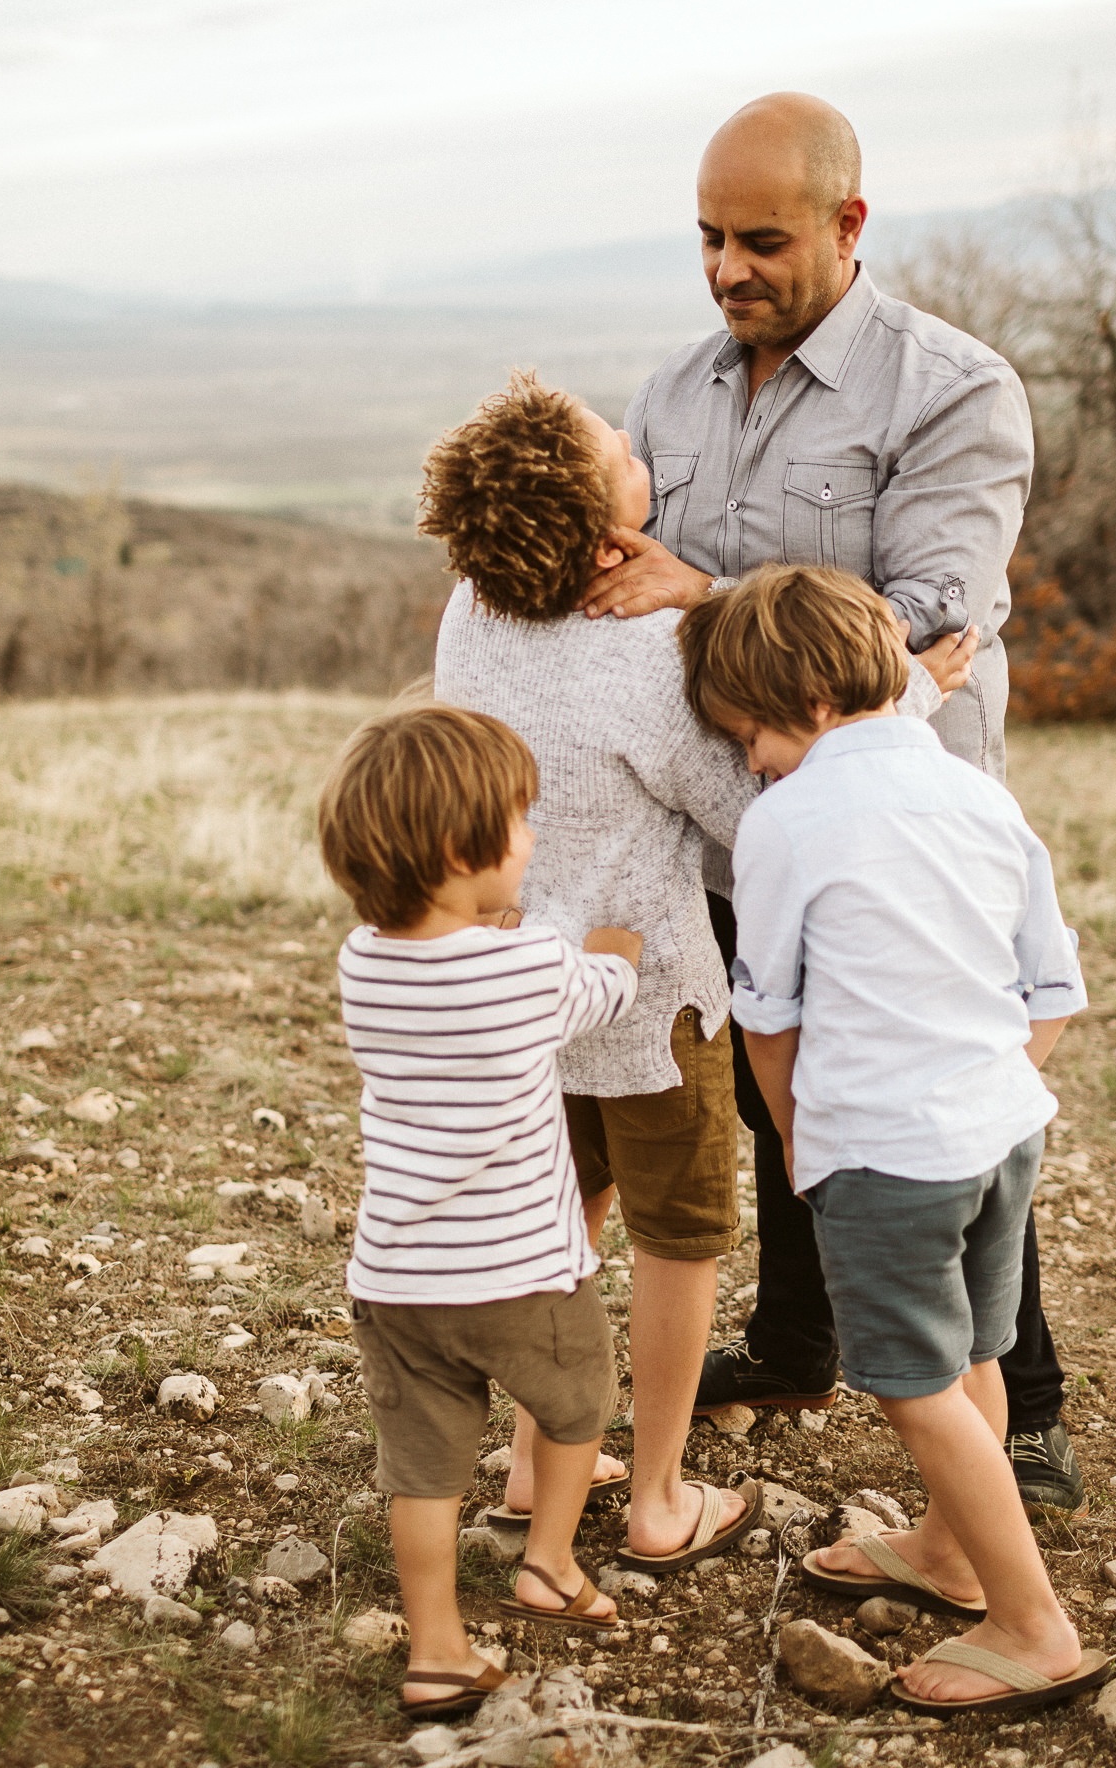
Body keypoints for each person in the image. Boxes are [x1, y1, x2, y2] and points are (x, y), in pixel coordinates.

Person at [582, 90, 1082, 1514]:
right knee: (769, 1080)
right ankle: (800, 1344)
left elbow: (930, 612)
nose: (727, 267)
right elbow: (628, 579)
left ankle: (1025, 1414)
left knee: (933, 1097)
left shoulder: (953, 389)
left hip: (896, 823)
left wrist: (703, 595)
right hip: (733, 811)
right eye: (706, 239)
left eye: (760, 239)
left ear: (848, 226)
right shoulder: (673, 391)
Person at [425, 371, 988, 1568]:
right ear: (612, 533)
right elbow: (759, 799)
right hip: (654, 1003)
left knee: (556, 1213)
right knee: (680, 1241)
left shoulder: (467, 616)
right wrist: (912, 696)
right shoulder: (647, 650)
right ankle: (661, 1493)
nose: (635, 435)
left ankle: (534, 1464)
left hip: (522, 985)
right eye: (616, 447)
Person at [677, 565, 1106, 1714]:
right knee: (974, 1350)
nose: (750, 760)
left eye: (750, 734)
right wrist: (980, 1091)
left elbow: (769, 1020)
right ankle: (952, 1549)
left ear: (807, 704)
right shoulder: (981, 796)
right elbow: (1053, 990)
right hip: (1004, 1127)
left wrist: (809, 1140)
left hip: (885, 1150)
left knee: (913, 1384)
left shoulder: (784, 822)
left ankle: (1032, 1621)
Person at [318, 701, 641, 1719]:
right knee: (578, 1402)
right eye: (519, 819)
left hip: (400, 1279)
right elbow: (603, 988)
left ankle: (438, 1647)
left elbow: (451, 970)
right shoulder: (533, 961)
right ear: (461, 849)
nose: (533, 835)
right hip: (523, 1272)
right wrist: (620, 948)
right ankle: (547, 1561)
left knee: (423, 1466)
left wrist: (482, 916)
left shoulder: (363, 964)